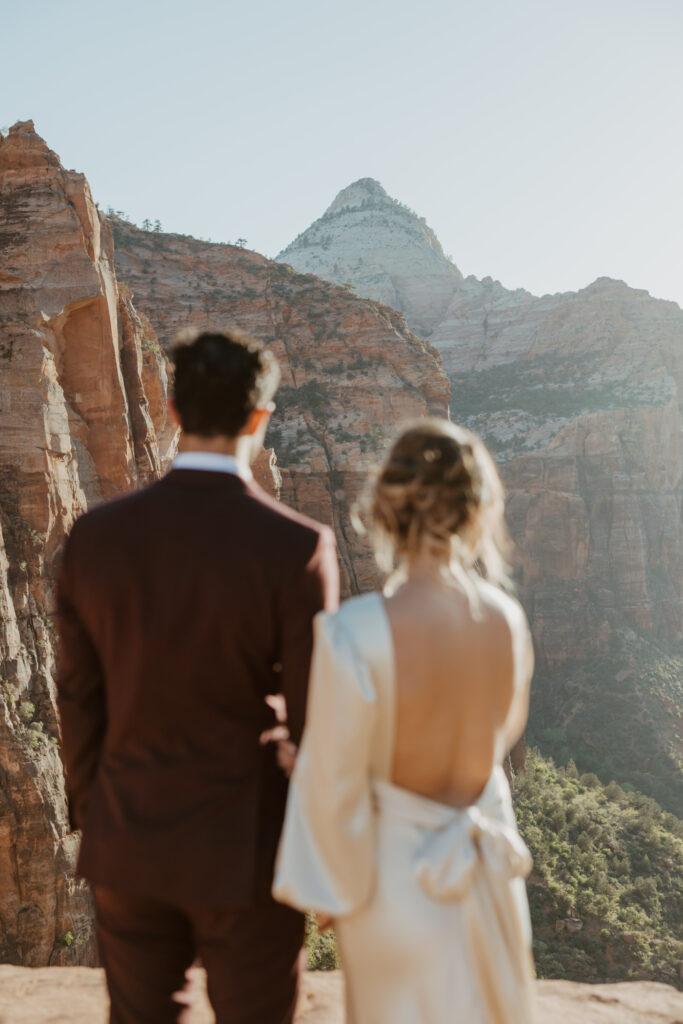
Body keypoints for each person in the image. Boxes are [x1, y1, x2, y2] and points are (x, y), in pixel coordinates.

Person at [56, 328, 339, 1024]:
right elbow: (317, 723)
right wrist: (329, 856)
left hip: (127, 836)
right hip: (247, 844)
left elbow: (78, 699)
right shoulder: (298, 546)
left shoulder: (95, 537)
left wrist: (97, 815)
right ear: (258, 418)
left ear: (173, 411)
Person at [273, 418, 535, 1024]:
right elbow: (505, 733)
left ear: (385, 510)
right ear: (479, 511)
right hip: (490, 877)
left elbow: (333, 778)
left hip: (395, 891)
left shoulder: (352, 632)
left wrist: (330, 890)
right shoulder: (506, 620)